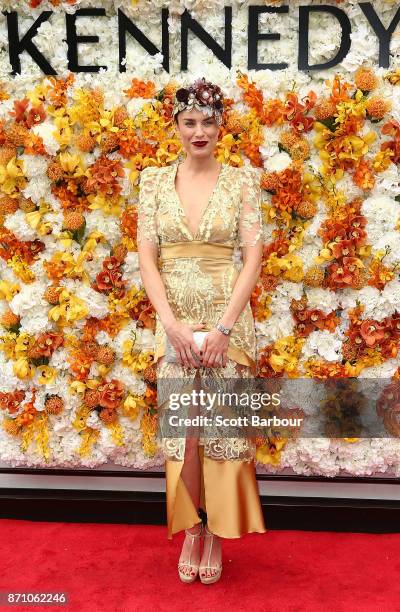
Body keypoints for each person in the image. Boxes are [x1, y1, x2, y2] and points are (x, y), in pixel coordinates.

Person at [136, 77, 266, 585]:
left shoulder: (241, 181)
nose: (198, 131)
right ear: (175, 126)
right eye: (189, 122)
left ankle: (214, 530)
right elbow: (147, 255)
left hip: (225, 323)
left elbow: (253, 255)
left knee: (220, 430)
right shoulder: (151, 181)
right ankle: (192, 525)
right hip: (173, 325)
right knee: (184, 432)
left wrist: (225, 329)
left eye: (207, 122)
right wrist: (170, 325)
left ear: (220, 126)